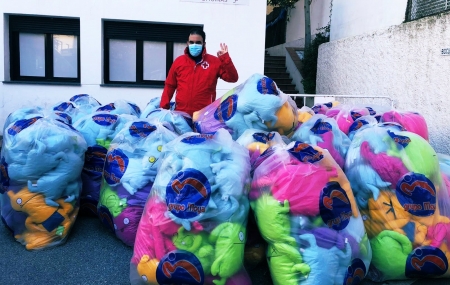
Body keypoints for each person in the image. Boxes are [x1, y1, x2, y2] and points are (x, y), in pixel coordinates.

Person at [159, 28, 239, 117]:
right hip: (181, 115)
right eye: (191, 42)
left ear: (204, 44)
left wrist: (225, 58)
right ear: (187, 43)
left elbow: (233, 78)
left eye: (198, 42)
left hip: (204, 116)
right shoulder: (179, 61)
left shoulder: (214, 62)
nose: (194, 45)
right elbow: (169, 85)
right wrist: (163, 109)